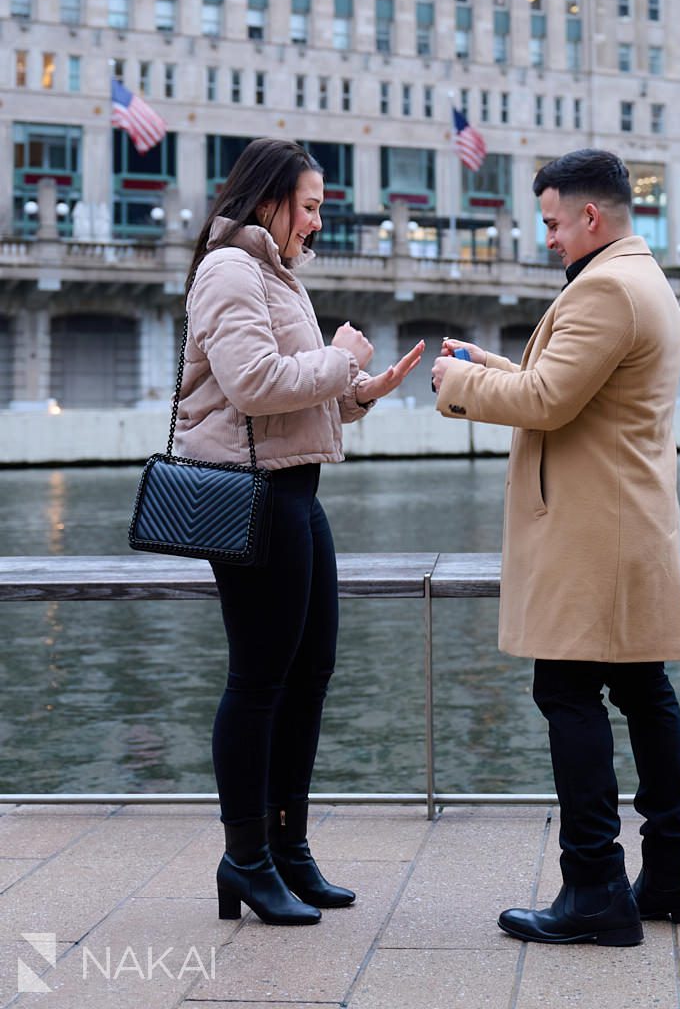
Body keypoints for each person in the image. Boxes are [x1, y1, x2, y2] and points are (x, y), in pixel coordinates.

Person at [431, 148, 680, 947]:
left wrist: (455, 385)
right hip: (624, 526)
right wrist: (487, 365)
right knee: (642, 693)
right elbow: (562, 383)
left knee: (565, 695)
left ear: (591, 216)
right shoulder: (639, 279)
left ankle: (593, 884)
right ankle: (675, 871)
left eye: (554, 222)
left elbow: (549, 399)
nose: (548, 237)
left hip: (594, 536)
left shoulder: (605, 289)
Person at [176, 138, 423, 926]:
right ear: (269, 200)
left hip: (296, 491)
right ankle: (244, 857)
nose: (316, 223)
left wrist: (359, 391)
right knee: (257, 681)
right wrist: (334, 357)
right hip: (250, 496)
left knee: (310, 672)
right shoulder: (229, 270)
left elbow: (294, 391)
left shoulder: (274, 272)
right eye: (309, 207)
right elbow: (252, 386)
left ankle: (288, 848)